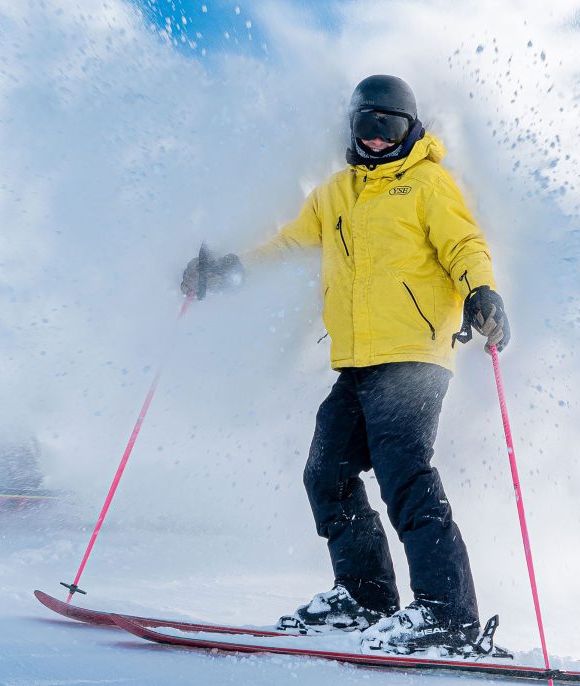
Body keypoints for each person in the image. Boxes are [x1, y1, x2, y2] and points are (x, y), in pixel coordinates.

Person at [181, 75, 510, 651]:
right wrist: (226, 270)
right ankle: (364, 597)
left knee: (403, 475)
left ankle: (447, 614)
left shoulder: (428, 183)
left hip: (413, 357)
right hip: (357, 361)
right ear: (352, 128)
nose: (378, 138)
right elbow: (287, 244)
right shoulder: (335, 193)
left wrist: (482, 291)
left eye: (391, 126)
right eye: (367, 125)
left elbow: (464, 245)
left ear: (411, 129)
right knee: (326, 473)